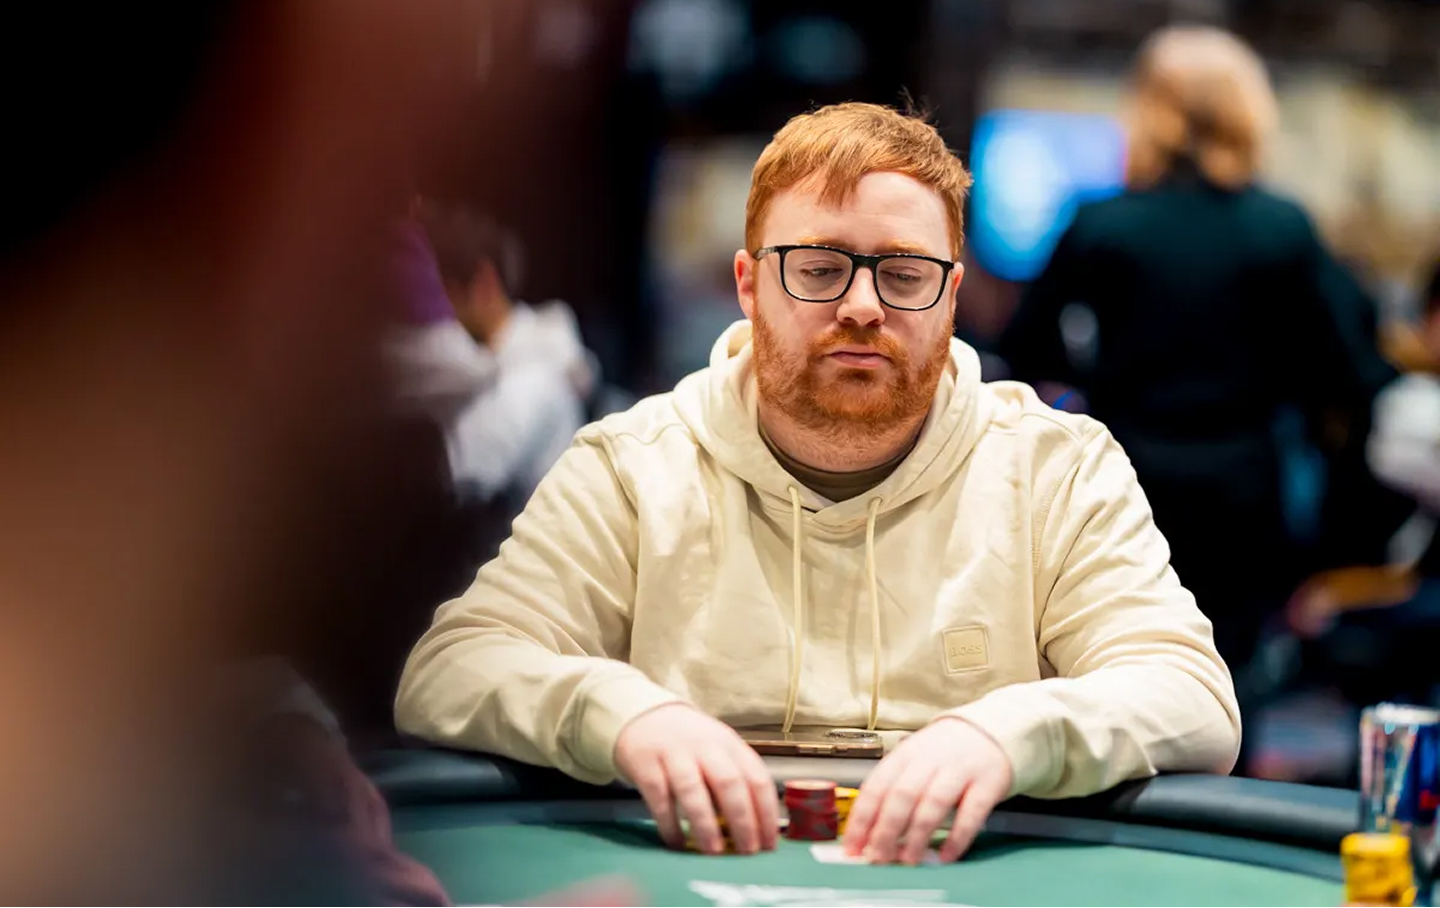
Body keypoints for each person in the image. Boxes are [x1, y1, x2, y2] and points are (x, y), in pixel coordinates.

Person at [395, 101, 1241, 868]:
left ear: (952, 298)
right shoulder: (631, 465)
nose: (863, 307)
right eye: (819, 267)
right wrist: (625, 715)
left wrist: (1007, 730)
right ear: (748, 284)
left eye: (904, 274)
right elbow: (451, 669)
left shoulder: (1056, 468)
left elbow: (1193, 698)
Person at [994, 25, 1397, 766]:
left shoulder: (1103, 225)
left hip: (1124, 482)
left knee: (1113, 666)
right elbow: (1349, 373)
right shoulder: (1281, 228)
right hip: (1245, 490)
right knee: (1231, 686)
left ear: (1147, 110)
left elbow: (1023, 355)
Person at [385, 200, 597, 507]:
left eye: (437, 291)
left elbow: (460, 473)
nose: (429, 310)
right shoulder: (497, 363)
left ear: (484, 282)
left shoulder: (534, 377)